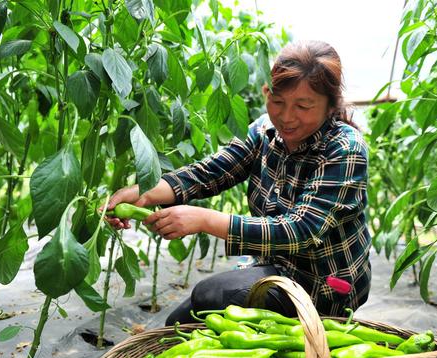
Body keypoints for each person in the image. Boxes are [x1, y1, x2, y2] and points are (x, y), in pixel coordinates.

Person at [106, 40, 371, 326]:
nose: (286, 117)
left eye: (303, 106)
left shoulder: (345, 148)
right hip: (272, 267)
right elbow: (210, 173)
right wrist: (145, 193)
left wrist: (205, 219)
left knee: (209, 297)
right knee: (180, 323)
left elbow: (301, 230)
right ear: (266, 92)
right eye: (277, 101)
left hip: (321, 284)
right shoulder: (264, 131)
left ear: (330, 106)